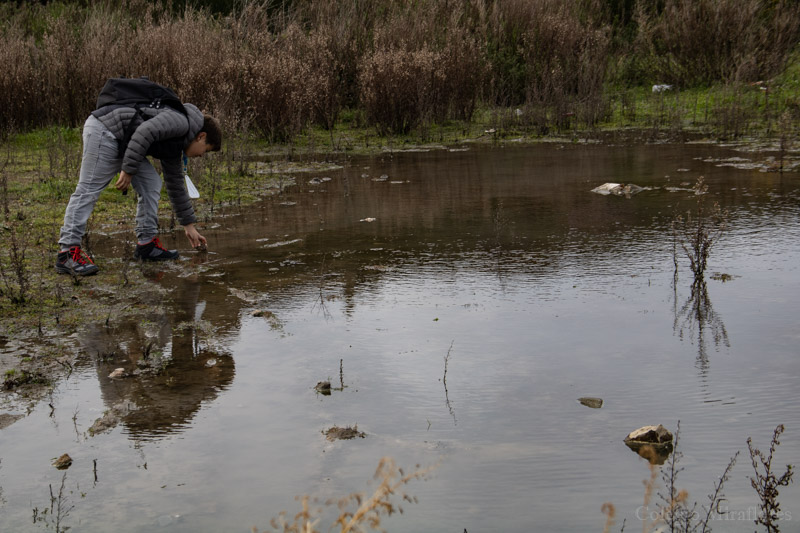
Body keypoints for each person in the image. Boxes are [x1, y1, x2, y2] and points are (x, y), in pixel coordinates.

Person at [55, 88, 222, 276]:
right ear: (202, 136)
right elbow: (145, 132)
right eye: (205, 150)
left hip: (124, 140)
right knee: (88, 189)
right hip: (105, 130)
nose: (201, 155)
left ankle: (146, 245)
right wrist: (128, 169)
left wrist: (189, 226)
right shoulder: (180, 122)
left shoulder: (178, 142)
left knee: (151, 183)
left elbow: (175, 184)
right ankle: (67, 253)